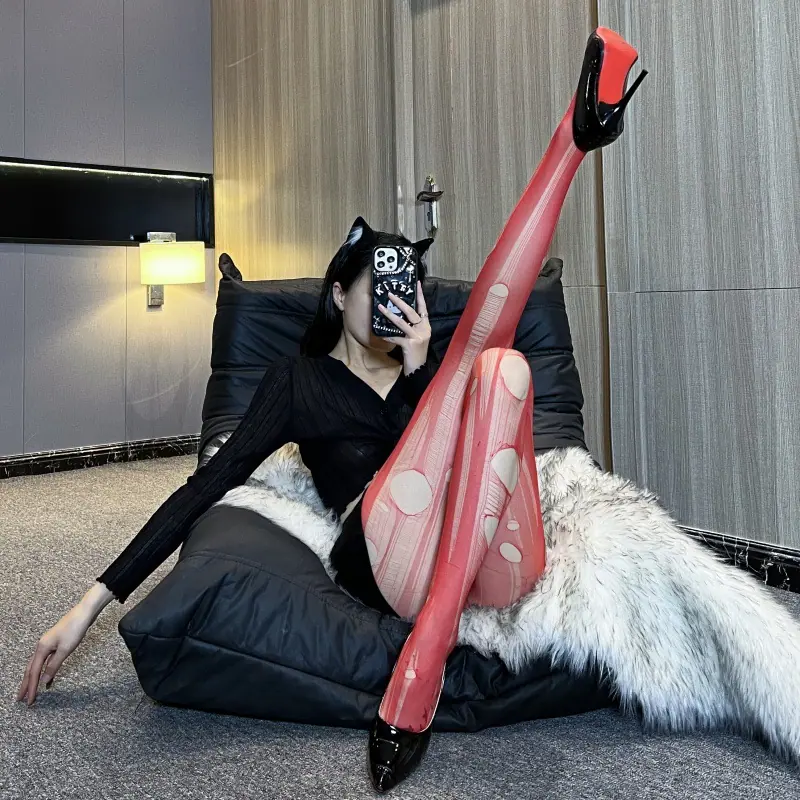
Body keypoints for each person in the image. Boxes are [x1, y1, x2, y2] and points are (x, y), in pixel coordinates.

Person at [17, 27, 646, 794]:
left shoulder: (427, 370)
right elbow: (205, 488)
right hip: (387, 558)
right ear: (340, 292)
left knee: (501, 367)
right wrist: (88, 603)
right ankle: (571, 143)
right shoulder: (298, 381)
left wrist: (420, 369)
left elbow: (470, 439)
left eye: (405, 284)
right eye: (378, 282)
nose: (394, 298)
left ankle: (580, 136)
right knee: (491, 359)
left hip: (486, 553)